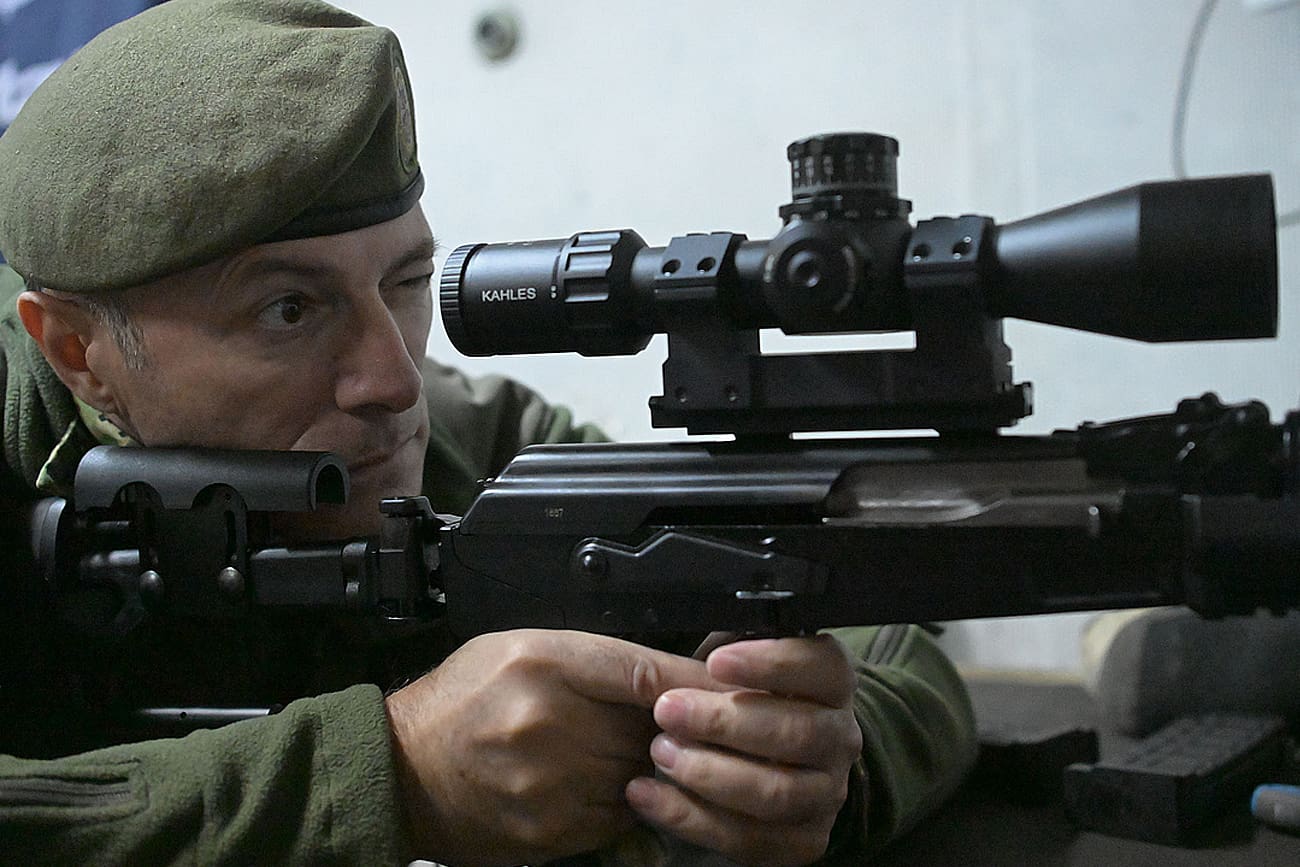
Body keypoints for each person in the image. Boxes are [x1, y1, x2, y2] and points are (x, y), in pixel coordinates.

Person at [0, 1, 977, 864]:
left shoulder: (480, 442)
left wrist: (813, 763)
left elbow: (893, 646)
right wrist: (391, 778)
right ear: (79, 352)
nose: (394, 380)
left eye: (405, 283)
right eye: (288, 309)